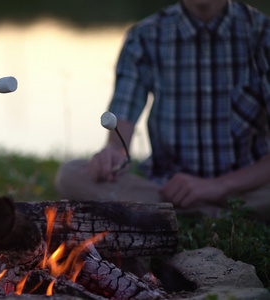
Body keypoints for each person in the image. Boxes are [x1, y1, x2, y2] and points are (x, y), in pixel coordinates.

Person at [56, 0, 270, 222]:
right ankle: (224, 217)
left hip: (246, 188)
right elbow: (121, 130)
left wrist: (218, 186)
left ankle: (184, 215)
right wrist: (113, 154)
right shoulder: (144, 36)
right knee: (71, 174)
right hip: (167, 190)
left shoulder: (263, 35)